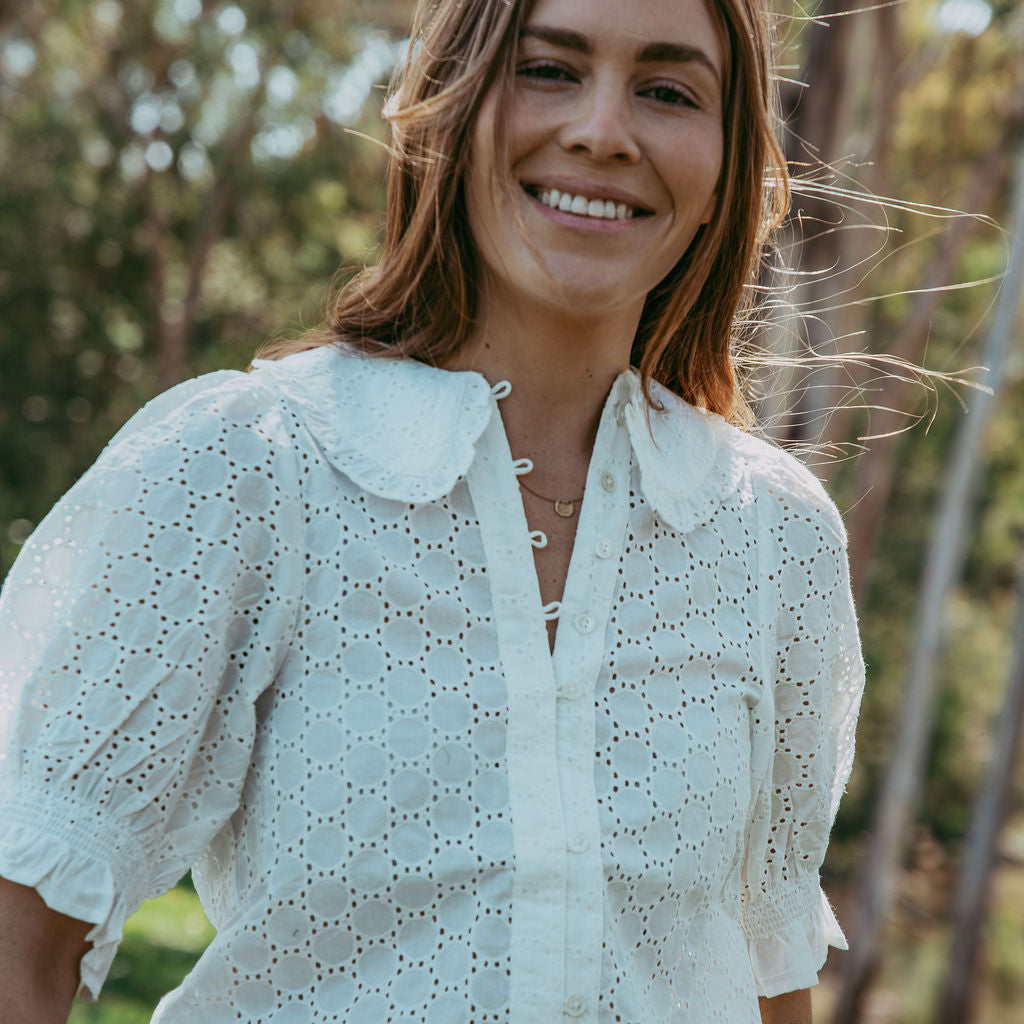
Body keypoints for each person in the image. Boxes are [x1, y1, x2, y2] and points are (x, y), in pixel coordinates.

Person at [0, 0, 865, 1021]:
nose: (601, 130)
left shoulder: (776, 537)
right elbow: (22, 945)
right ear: (447, 104)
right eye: (548, 69)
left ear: (729, 163)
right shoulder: (247, 464)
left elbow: (769, 979)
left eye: (667, 91)